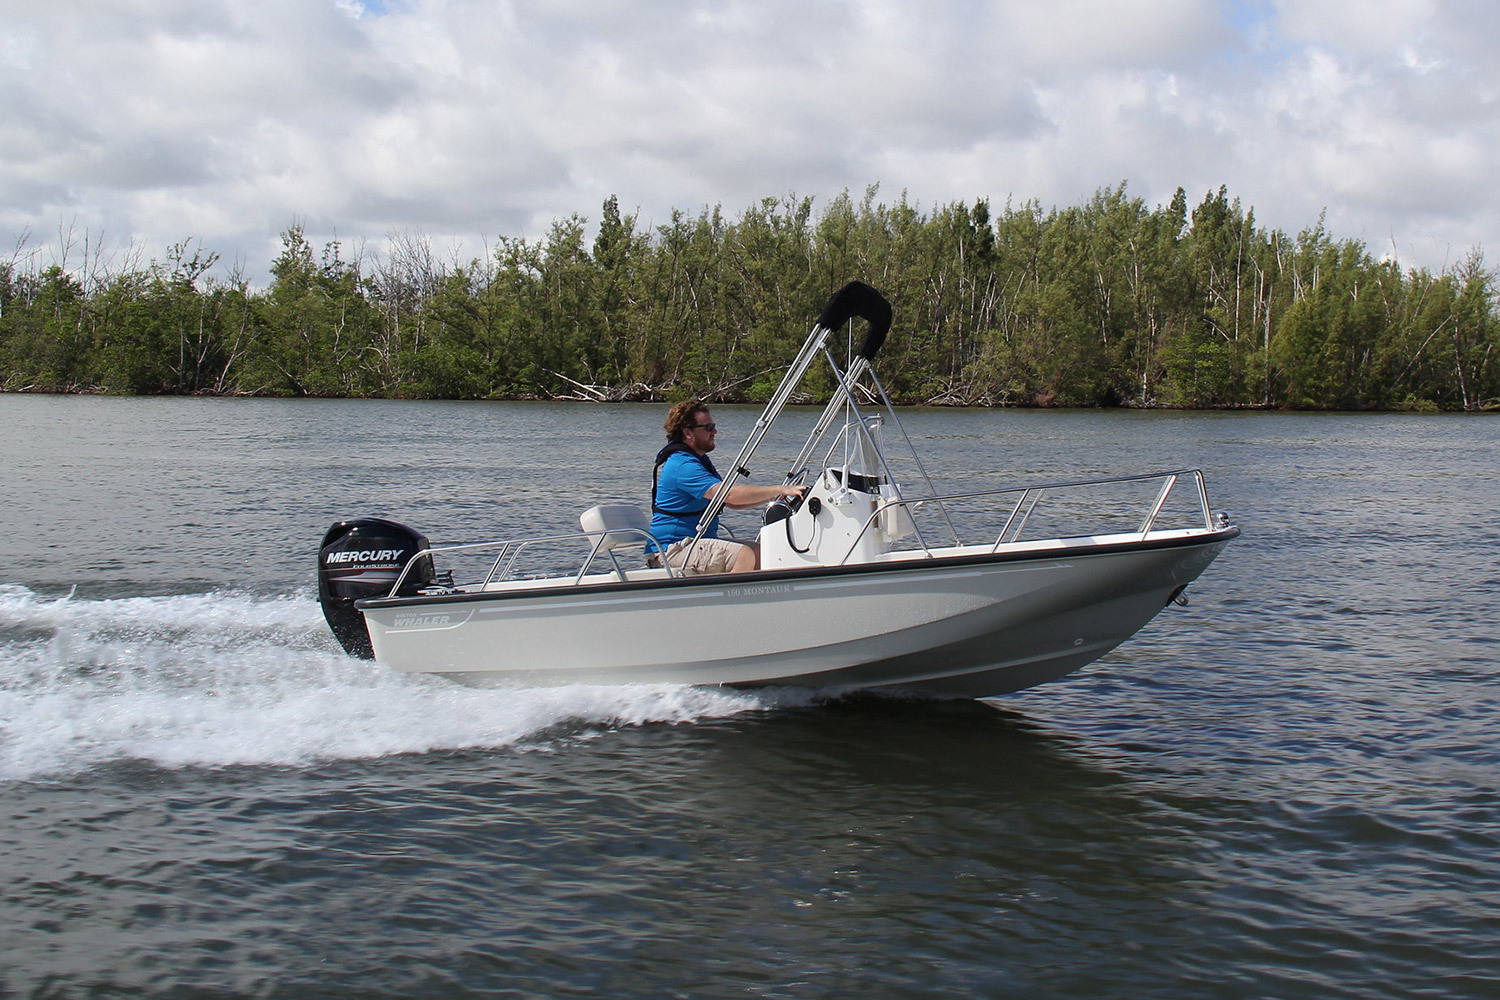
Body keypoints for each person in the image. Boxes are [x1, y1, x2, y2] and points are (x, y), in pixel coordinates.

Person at [646, 399, 807, 574]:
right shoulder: (682, 465)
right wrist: (779, 489)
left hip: (692, 543)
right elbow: (728, 495)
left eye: (713, 426)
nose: (714, 431)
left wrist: (773, 496)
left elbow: (730, 503)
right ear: (688, 433)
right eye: (708, 428)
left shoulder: (699, 461)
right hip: (670, 550)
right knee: (744, 555)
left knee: (761, 552)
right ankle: (735, 599)